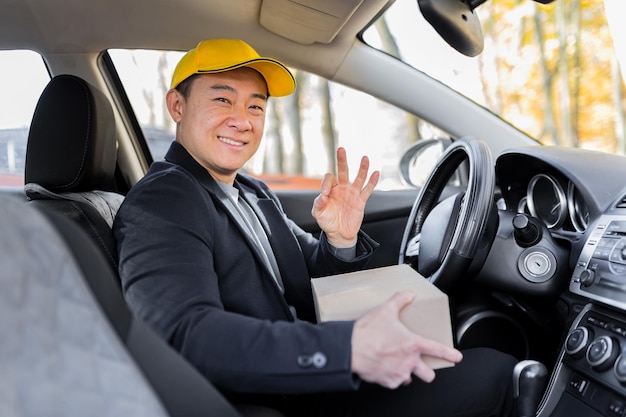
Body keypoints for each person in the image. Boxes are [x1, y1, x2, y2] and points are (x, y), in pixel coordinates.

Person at [113, 38, 517, 416]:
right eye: (222, 99)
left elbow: (309, 275)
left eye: (255, 107)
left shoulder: (249, 190)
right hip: (279, 394)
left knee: (479, 356)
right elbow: (183, 336)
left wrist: (340, 240)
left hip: (313, 370)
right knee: (498, 375)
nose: (242, 120)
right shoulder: (163, 201)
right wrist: (347, 349)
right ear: (177, 106)